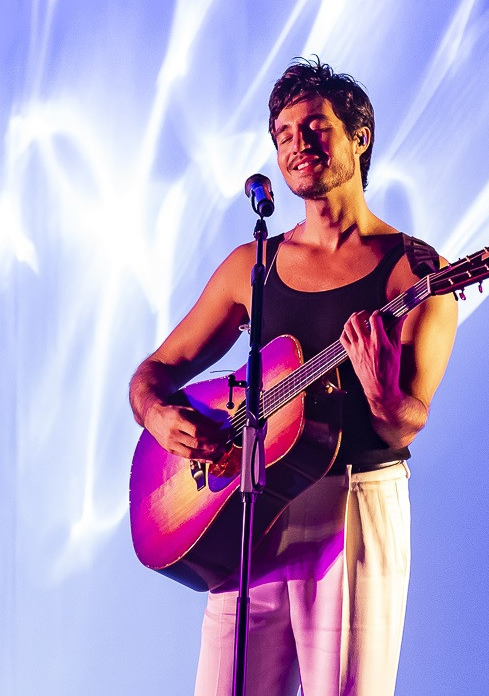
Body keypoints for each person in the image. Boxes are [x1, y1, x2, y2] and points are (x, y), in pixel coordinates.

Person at [128, 58, 458, 696]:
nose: (297, 145)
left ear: (359, 137)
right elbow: (155, 372)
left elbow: (407, 416)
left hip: (352, 505)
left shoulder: (415, 271)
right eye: (282, 135)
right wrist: (157, 414)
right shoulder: (253, 264)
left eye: (314, 127)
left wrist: (386, 394)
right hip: (248, 511)